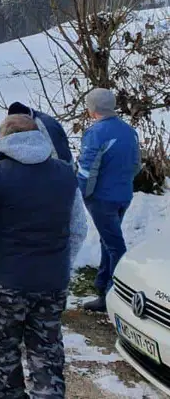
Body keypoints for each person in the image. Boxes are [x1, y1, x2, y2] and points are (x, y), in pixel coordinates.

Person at [0, 115, 88, 399]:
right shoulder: (65, 174)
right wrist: (62, 264)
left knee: (3, 351)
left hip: (5, 283)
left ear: (5, 139)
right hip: (51, 282)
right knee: (46, 351)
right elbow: (79, 229)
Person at [77, 88, 141, 312]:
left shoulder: (96, 133)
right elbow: (136, 165)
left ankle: (119, 295)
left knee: (115, 246)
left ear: (93, 109)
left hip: (102, 198)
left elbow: (87, 170)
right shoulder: (129, 131)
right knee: (109, 242)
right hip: (123, 195)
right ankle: (104, 291)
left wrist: (81, 195)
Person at [7, 101, 72, 163]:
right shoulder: (24, 124)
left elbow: (57, 153)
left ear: (22, 116)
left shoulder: (44, 125)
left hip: (61, 168)